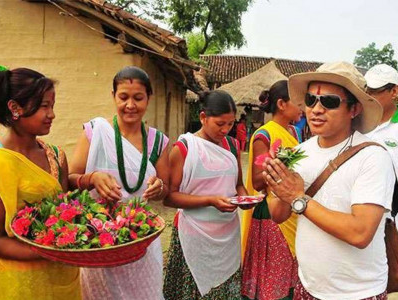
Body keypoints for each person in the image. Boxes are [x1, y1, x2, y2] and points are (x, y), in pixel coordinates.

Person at [264, 61, 395, 299]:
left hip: (357, 293)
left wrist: (298, 197)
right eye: (311, 99)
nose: (316, 109)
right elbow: (278, 214)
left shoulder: (373, 157)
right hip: (307, 285)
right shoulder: (298, 152)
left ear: (353, 109)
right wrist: (277, 184)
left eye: (330, 102)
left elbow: (360, 233)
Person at [69, 66, 169, 300]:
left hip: (141, 241)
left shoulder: (158, 142)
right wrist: (92, 178)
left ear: (149, 98)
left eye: (138, 98)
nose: (130, 105)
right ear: (113, 95)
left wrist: (159, 188)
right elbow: (70, 179)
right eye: (123, 97)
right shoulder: (95, 133)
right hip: (98, 241)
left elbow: (167, 190)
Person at [0, 67, 81, 299]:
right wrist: (48, 251)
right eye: (44, 106)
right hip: (22, 284)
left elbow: (65, 213)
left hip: (62, 279)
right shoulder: (1, 163)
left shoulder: (55, 155)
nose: (52, 114)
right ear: (15, 108)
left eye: (52, 106)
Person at [163, 90, 248, 300]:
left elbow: (238, 184)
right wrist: (209, 201)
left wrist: (244, 198)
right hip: (194, 234)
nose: (226, 130)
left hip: (227, 235)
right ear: (203, 117)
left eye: (230, 124)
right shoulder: (184, 148)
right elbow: (170, 197)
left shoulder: (231, 146)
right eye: (220, 124)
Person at [241, 80, 302, 300]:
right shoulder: (264, 135)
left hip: (292, 209)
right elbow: (258, 181)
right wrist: (281, 168)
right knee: (272, 278)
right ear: (282, 104)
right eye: (298, 102)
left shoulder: (295, 133)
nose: (302, 107)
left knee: (289, 275)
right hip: (271, 214)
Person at [364, 64, 398, 177]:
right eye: (366, 90)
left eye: (374, 91)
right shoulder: (356, 122)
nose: (368, 96)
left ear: (394, 91)